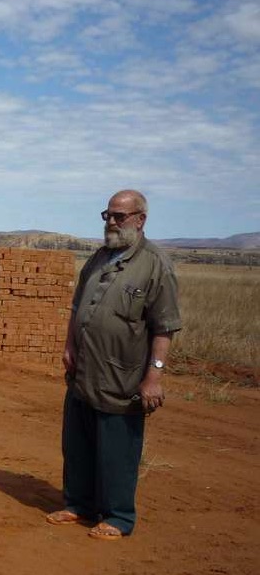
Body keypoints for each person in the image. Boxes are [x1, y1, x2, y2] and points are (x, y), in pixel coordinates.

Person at [46, 189, 181, 540]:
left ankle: (119, 516)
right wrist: (69, 346)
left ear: (140, 219)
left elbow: (164, 327)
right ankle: (79, 504)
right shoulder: (99, 257)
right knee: (78, 443)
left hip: (123, 373)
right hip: (85, 369)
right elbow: (78, 308)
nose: (111, 222)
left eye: (119, 216)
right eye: (107, 215)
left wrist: (154, 377)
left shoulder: (155, 266)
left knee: (117, 449)